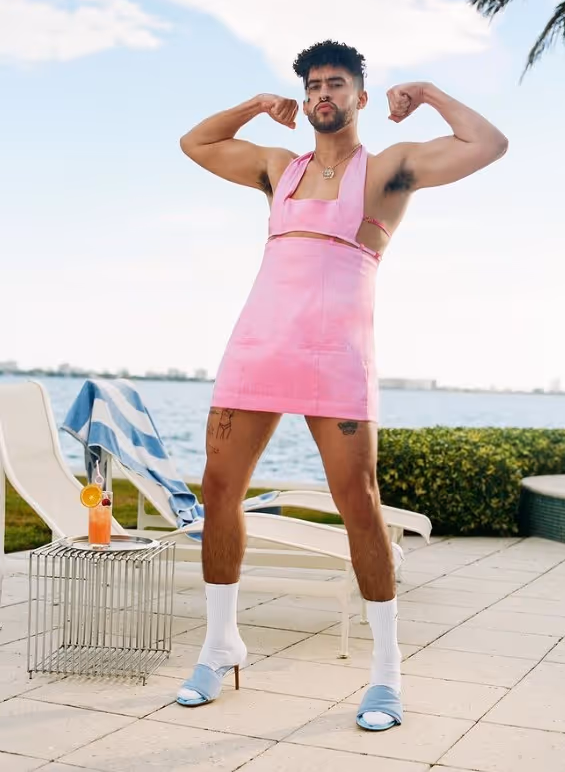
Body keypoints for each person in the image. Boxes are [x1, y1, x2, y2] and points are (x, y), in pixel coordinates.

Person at [176, 40, 508, 731]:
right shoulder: (279, 168)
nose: (322, 95)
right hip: (258, 346)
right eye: (313, 87)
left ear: (360, 96)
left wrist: (429, 93)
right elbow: (195, 142)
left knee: (359, 501)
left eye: (335, 84)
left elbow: (488, 144)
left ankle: (386, 673)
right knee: (218, 489)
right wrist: (255, 105)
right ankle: (220, 644)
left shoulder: (389, 170)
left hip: (336, 356)